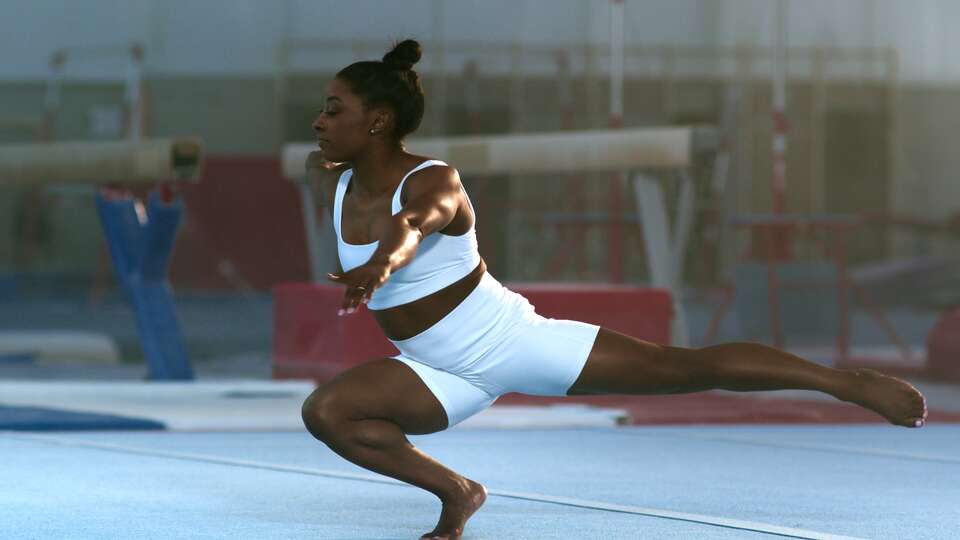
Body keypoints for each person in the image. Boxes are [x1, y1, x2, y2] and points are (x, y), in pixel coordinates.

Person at [300, 39, 928, 540]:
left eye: (335, 108)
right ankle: (458, 493)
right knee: (327, 413)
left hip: (511, 340)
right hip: (435, 369)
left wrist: (381, 266)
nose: (320, 120)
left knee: (686, 368)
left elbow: (413, 225)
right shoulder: (326, 177)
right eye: (325, 108)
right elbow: (347, 188)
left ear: (378, 120)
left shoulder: (436, 179)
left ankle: (845, 383)